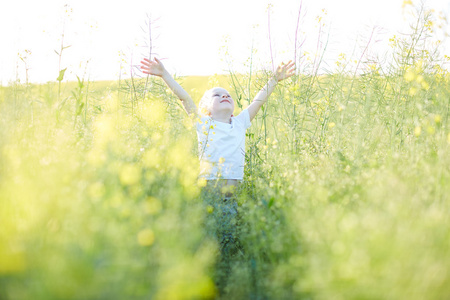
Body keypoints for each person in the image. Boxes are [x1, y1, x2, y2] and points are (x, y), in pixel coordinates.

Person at [140, 57, 295, 295]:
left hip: (233, 200)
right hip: (208, 199)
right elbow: (185, 98)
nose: (224, 96)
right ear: (206, 109)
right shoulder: (204, 124)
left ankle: (227, 284)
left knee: (230, 244)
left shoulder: (240, 123)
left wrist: (275, 79)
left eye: (227, 94)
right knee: (209, 246)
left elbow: (258, 101)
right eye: (216, 95)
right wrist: (164, 74)